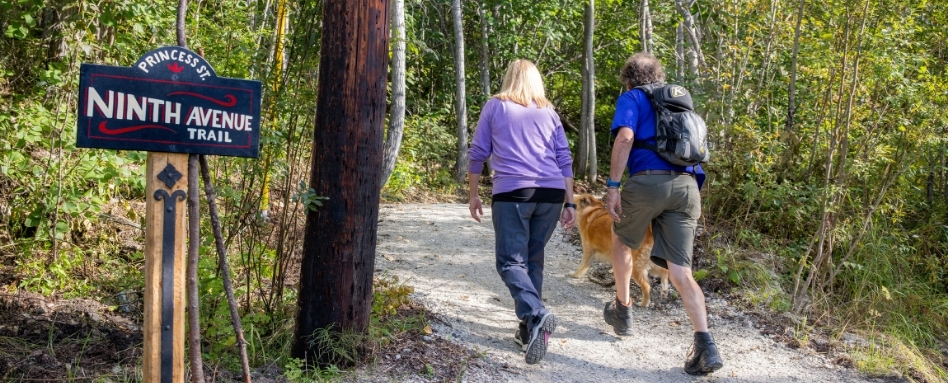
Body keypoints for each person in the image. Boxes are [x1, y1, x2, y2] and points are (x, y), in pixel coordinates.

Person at [602, 52, 724, 375]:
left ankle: (623, 309)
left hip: (647, 183)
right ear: (658, 77)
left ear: (629, 80)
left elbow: (626, 138)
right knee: (681, 271)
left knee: (621, 238)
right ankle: (705, 344)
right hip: (687, 188)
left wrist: (613, 186)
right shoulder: (677, 102)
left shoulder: (632, 98)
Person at [467, 59, 575, 365]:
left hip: (514, 192)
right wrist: (569, 202)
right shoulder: (549, 111)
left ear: (508, 78)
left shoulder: (496, 106)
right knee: (532, 259)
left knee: (509, 262)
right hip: (551, 193)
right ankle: (529, 331)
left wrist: (474, 193)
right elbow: (564, 158)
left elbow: (477, 153)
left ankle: (537, 313)